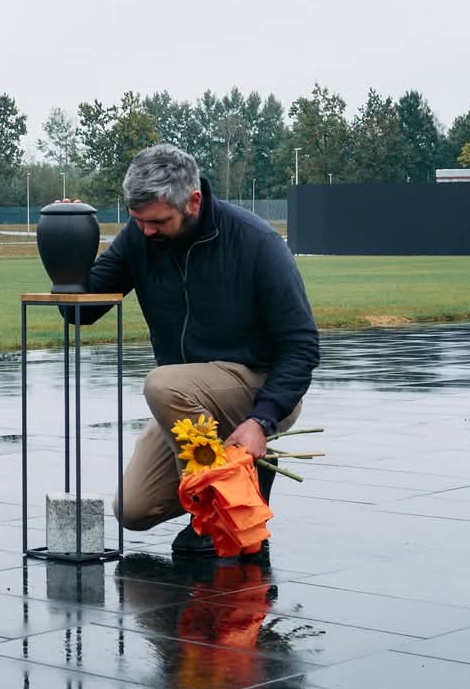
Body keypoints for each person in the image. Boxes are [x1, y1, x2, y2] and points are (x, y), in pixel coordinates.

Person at [88, 143, 319, 557]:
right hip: (187, 398)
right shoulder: (141, 236)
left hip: (257, 385)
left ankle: (220, 513)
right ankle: (243, 474)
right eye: (138, 221)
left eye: (159, 221)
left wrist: (261, 420)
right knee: (132, 511)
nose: (146, 232)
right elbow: (83, 309)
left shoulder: (256, 241)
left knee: (162, 385)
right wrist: (66, 237)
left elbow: (301, 345)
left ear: (193, 201)